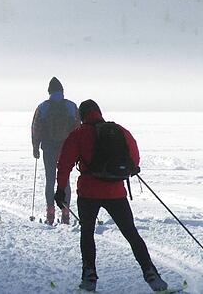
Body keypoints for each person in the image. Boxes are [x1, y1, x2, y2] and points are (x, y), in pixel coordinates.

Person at [56, 99, 167, 292]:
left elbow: (64, 164)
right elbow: (134, 156)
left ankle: (89, 278)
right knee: (131, 234)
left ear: (81, 116)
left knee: (87, 233)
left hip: (89, 192)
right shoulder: (119, 130)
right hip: (116, 191)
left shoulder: (79, 134)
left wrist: (60, 190)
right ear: (98, 112)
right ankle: (152, 275)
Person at [31, 77, 79, 225]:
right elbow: (78, 127)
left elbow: (35, 128)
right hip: (67, 148)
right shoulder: (71, 106)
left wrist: (35, 147)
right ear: (62, 91)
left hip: (49, 147)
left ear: (49, 92)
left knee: (50, 179)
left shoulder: (43, 107)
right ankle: (65, 212)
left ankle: (50, 213)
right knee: (65, 180)